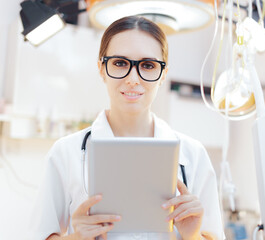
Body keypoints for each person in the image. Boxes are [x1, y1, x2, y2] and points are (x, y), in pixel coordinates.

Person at [29, 16, 224, 240]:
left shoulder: (194, 155)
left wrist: (192, 236)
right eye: (120, 63)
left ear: (163, 74)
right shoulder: (66, 153)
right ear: (102, 68)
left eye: (148, 65)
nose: (133, 79)